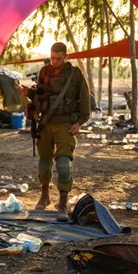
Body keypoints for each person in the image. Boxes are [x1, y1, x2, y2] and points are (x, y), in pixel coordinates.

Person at [21, 42, 90, 221]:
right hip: (45, 123)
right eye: (52, 57)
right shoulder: (45, 71)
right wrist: (28, 93)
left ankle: (62, 203)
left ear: (66, 57)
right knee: (44, 165)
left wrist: (80, 123)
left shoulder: (75, 74)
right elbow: (40, 96)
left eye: (58, 58)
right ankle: (45, 195)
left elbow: (85, 102)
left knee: (64, 165)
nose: (54, 61)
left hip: (65, 124)